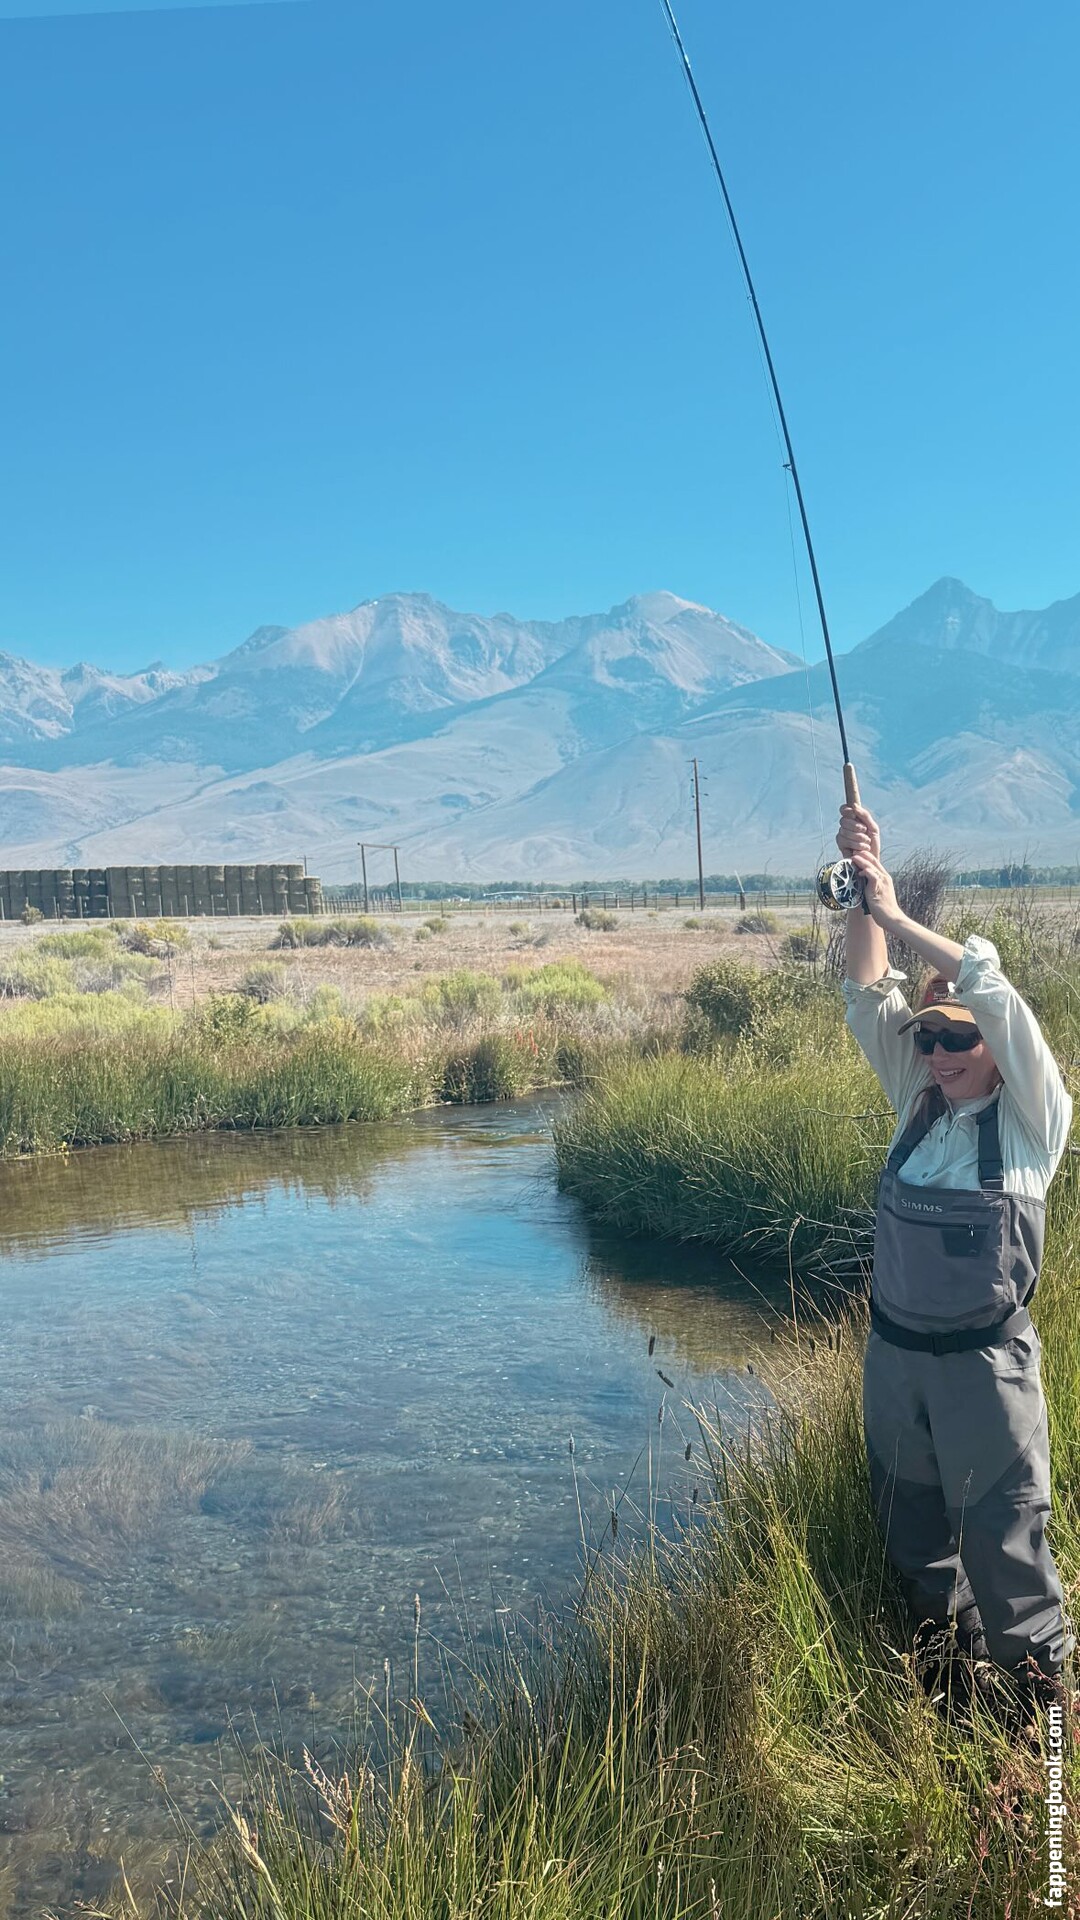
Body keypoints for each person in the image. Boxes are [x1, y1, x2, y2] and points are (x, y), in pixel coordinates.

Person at [837, 800, 1073, 1727]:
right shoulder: (916, 1100)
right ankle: (949, 1707)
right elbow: (868, 992)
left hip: (986, 1374)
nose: (936, 1054)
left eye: (957, 1039)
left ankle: (1044, 1758)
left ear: (997, 1050)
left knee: (1009, 1553)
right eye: (929, 1037)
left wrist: (899, 916)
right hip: (894, 1365)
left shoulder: (1033, 1121)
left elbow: (992, 989)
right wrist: (862, 884)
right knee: (916, 1543)